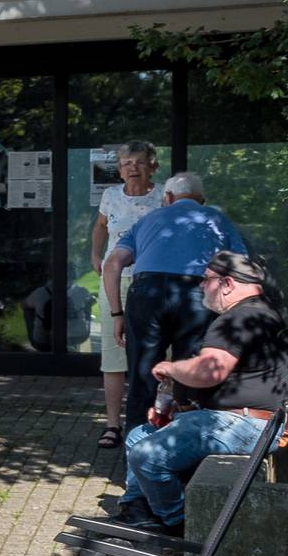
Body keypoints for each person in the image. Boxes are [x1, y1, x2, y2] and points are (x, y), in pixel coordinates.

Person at [116, 250, 288, 532]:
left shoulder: (238, 319)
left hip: (242, 424)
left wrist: (170, 368)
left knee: (146, 454)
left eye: (206, 279)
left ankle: (180, 524)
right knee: (138, 434)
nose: (200, 285)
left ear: (228, 284)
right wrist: (180, 403)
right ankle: (137, 511)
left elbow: (210, 372)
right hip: (247, 421)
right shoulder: (262, 314)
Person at [106, 171, 255, 424]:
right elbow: (242, 265)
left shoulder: (147, 220)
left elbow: (112, 264)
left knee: (143, 374)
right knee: (192, 370)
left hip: (147, 292)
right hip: (196, 294)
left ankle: (136, 446)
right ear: (202, 200)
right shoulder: (217, 219)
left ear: (168, 197)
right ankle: (186, 442)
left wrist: (116, 313)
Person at [89, 142, 164, 447]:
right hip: (115, 281)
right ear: (119, 169)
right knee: (113, 355)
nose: (132, 168)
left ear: (153, 167)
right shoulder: (110, 196)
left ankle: (158, 419)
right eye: (126, 163)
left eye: (139, 162)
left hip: (153, 279)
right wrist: (95, 254)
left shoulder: (164, 197)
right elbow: (100, 226)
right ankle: (112, 425)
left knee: (159, 353)